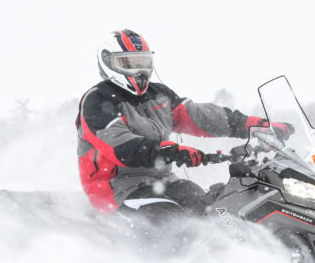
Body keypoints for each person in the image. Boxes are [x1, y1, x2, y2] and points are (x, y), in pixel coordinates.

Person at [76, 29, 292, 221]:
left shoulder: (158, 95)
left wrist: (256, 126)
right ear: (108, 63)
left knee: (216, 214)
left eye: (143, 62)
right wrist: (170, 151)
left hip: (164, 181)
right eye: (128, 63)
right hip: (118, 189)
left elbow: (201, 117)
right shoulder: (97, 101)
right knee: (177, 225)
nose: (139, 71)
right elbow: (121, 147)